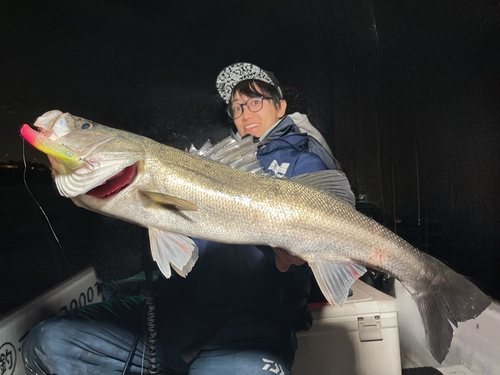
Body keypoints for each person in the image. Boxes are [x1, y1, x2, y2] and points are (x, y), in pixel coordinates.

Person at [22, 62, 353, 375]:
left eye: (255, 101)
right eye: (236, 107)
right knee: (52, 341)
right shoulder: (216, 161)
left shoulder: (305, 164)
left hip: (256, 321)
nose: (244, 112)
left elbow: (330, 217)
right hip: (185, 311)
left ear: (280, 108)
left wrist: (304, 251)